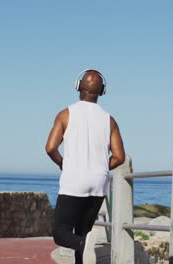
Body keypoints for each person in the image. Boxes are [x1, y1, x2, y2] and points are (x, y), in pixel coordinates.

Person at [45, 69, 125, 264]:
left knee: (61, 233)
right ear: (102, 90)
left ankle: (80, 244)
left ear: (78, 85)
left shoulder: (66, 114)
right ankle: (82, 247)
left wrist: (64, 164)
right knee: (83, 232)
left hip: (74, 180)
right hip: (98, 182)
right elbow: (120, 157)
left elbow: (50, 148)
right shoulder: (109, 120)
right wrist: (99, 167)